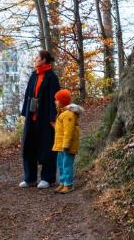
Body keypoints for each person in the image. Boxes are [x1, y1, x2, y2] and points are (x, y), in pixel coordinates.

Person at [19, 50, 60, 189]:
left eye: (37, 57)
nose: (35, 59)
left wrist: (53, 118)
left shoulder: (51, 77)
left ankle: (47, 178)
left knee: (47, 146)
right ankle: (30, 178)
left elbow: (55, 99)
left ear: (44, 60)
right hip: (32, 117)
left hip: (45, 117)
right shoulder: (33, 75)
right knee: (28, 146)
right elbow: (27, 96)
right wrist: (25, 114)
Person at [52, 88, 83, 194]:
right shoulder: (61, 113)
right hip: (61, 145)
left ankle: (68, 184)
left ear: (62, 101)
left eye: (56, 100)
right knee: (60, 164)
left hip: (67, 146)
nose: (55, 101)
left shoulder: (68, 114)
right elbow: (61, 130)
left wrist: (66, 144)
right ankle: (63, 182)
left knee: (67, 164)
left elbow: (68, 131)